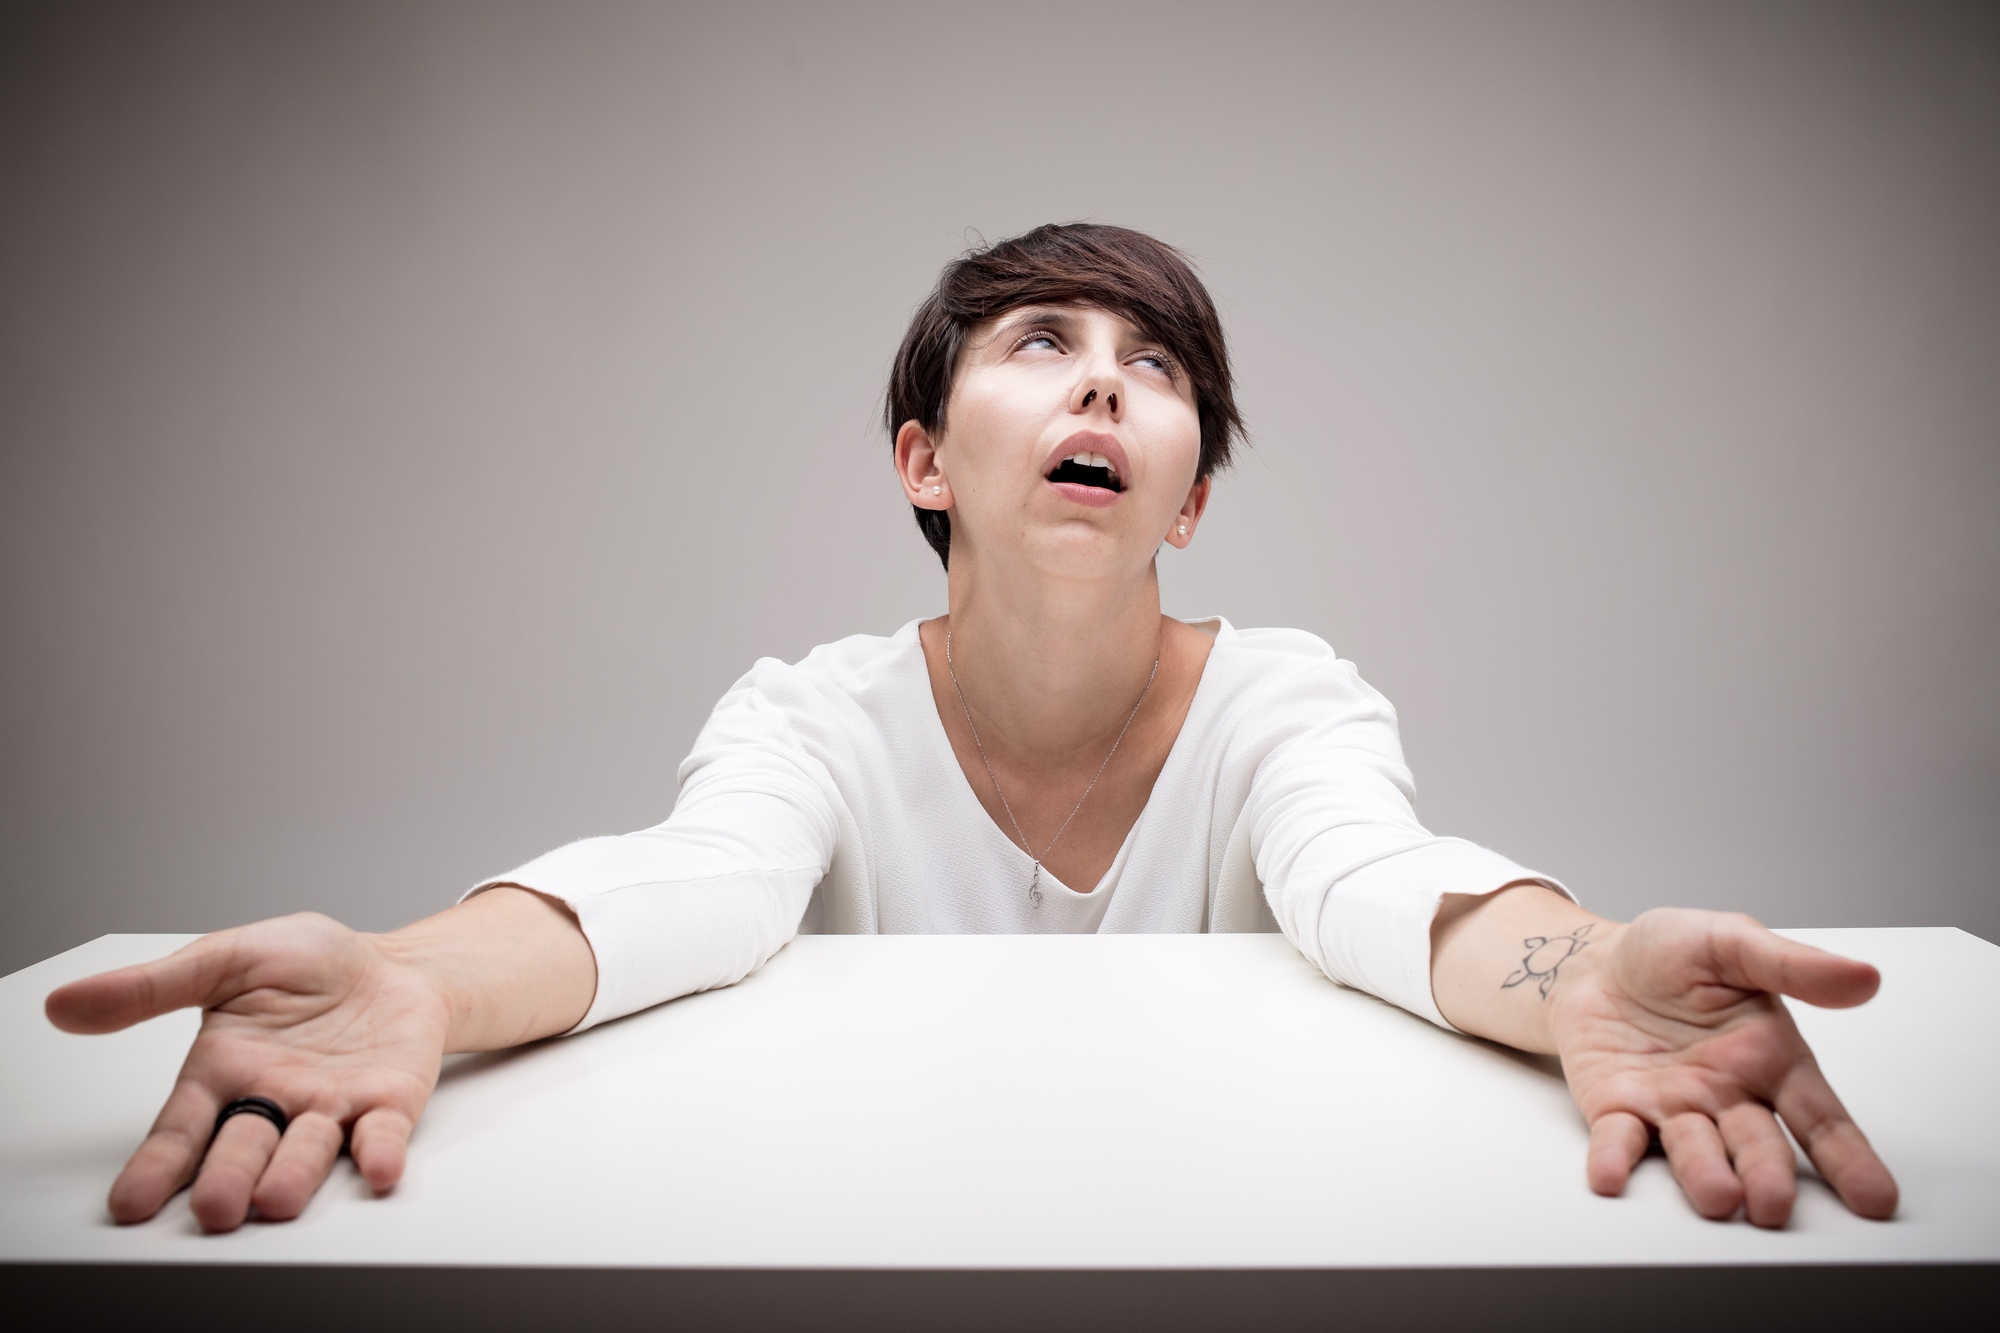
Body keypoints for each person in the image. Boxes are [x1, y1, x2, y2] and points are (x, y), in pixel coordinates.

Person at [46, 223, 1898, 1237]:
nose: (1107, 375)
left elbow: (1378, 882)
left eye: (1157, 366)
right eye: (1044, 340)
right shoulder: (812, 715)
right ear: (924, 462)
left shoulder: (1286, 696)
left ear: (1181, 500)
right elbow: (689, 885)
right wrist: (410, 982)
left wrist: (1582, 969)